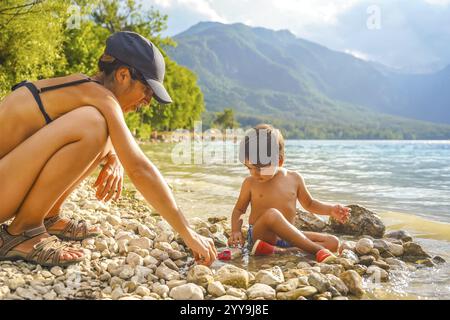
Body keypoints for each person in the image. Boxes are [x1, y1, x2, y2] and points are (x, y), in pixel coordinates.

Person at [0, 31, 216, 267]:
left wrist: (113, 156)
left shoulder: (85, 89)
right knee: (93, 124)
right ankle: (24, 231)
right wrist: (187, 232)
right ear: (124, 75)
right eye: (147, 90)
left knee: (100, 128)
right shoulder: (101, 99)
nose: (147, 102)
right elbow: (139, 168)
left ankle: (47, 215)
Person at [227, 124, 350, 262]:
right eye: (249, 168)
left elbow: (309, 204)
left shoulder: (294, 179)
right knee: (272, 215)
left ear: (279, 161)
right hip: (261, 234)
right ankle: (318, 251)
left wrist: (330, 210)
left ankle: (281, 251)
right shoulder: (250, 183)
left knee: (333, 242)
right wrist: (236, 230)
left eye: (260, 168)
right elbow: (239, 209)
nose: (254, 173)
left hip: (288, 237)